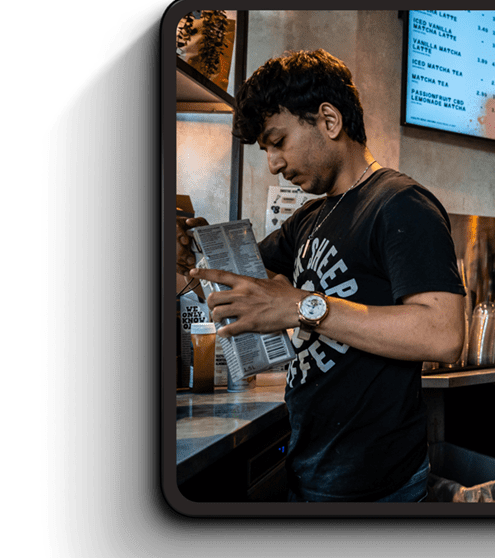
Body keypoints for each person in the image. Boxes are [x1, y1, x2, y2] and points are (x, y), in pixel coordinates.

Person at [175, 49, 466, 502]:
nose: (273, 162)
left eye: (278, 141)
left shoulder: (400, 204)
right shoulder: (311, 218)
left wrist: (301, 306)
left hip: (376, 485)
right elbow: (245, 276)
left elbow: (443, 333)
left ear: (329, 120)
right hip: (311, 465)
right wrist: (188, 253)